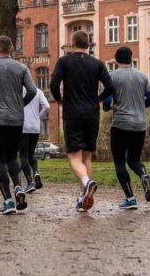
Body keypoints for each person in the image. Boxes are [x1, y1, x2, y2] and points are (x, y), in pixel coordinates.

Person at [49, 30, 114, 213]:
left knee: (73, 156)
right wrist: (98, 99)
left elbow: (53, 84)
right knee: (86, 156)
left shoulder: (64, 61)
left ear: (72, 43)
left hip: (72, 112)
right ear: (89, 44)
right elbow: (110, 87)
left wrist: (60, 99)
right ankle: (83, 198)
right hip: (92, 113)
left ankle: (86, 183)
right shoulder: (97, 63)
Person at [0, 35, 37, 215]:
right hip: (16, 119)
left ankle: (9, 201)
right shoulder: (21, 68)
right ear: (11, 49)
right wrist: (21, 104)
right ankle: (18, 186)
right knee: (12, 157)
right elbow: (33, 91)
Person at [102, 46, 150, 210]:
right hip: (140, 125)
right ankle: (144, 175)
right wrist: (140, 106)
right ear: (131, 58)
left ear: (116, 59)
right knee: (134, 160)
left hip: (120, 124)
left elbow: (106, 103)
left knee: (119, 162)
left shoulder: (112, 76)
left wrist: (109, 108)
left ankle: (130, 197)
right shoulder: (142, 76)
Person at [21, 87, 51, 193]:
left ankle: (30, 182)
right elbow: (47, 106)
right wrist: (39, 117)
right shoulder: (38, 91)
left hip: (22, 126)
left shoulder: (18, 90)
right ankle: (36, 172)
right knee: (31, 153)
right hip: (35, 127)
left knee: (23, 155)